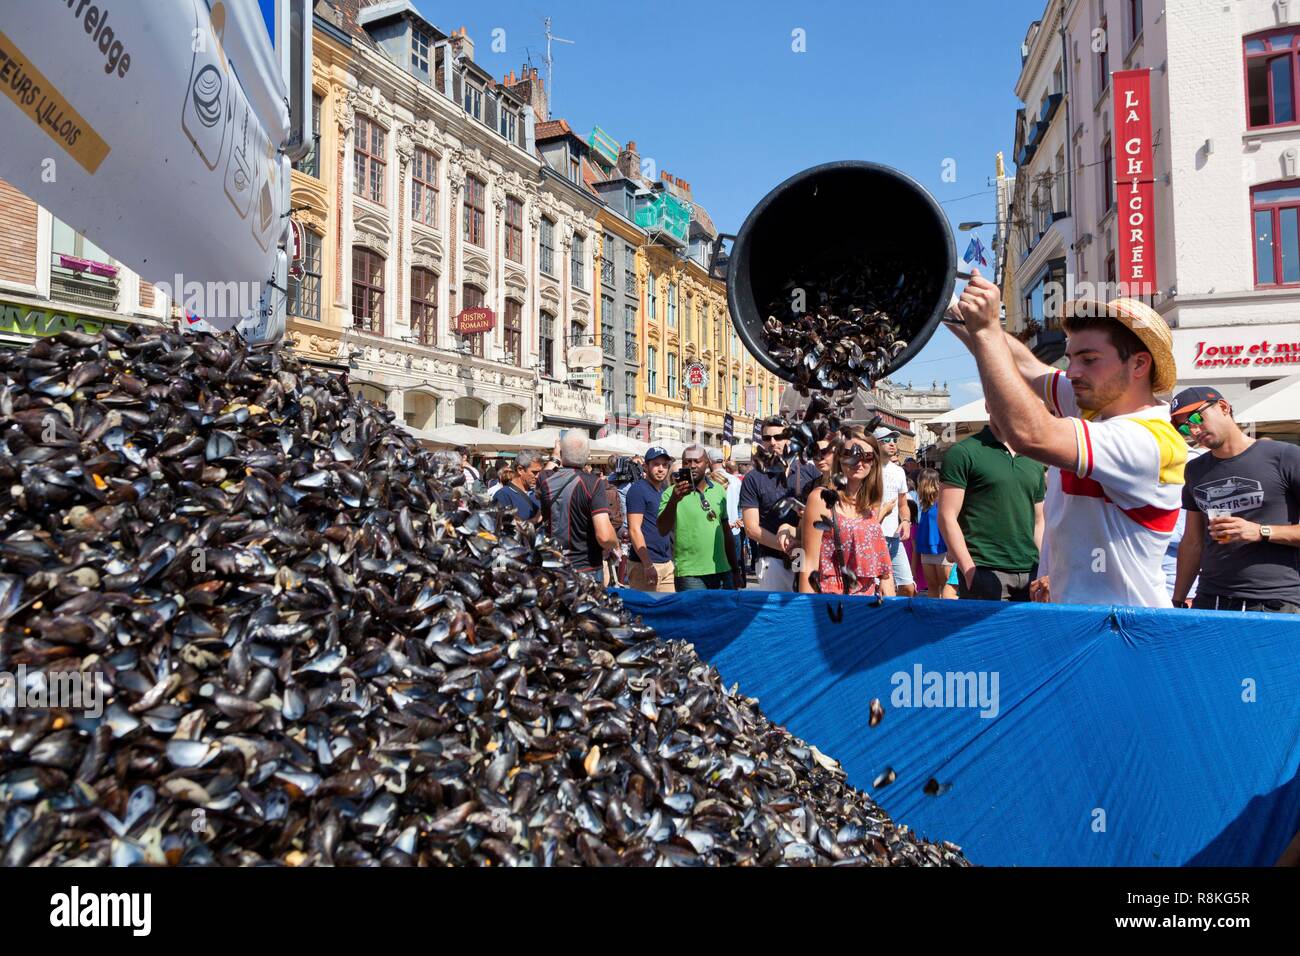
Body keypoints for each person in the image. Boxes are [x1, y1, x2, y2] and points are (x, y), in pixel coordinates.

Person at [948, 273, 1186, 607]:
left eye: (1089, 359)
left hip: (1120, 629)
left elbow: (1031, 434)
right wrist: (951, 306)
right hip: (1081, 619)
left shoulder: (1148, 440)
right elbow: (1026, 366)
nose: (1072, 372)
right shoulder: (1095, 405)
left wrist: (986, 330)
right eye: (1071, 358)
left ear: (1139, 364)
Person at [1170, 387, 1300, 613]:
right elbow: (1192, 542)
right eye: (1184, 426)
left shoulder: (1284, 456)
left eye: (1196, 417)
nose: (1193, 428)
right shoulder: (1195, 470)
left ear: (1223, 407)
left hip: (1276, 601)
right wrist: (1178, 600)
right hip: (1211, 600)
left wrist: (1261, 532)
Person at [938, 416, 1045, 601]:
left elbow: (1039, 521)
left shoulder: (1034, 458)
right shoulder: (964, 452)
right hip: (984, 570)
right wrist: (969, 570)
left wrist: (1045, 568)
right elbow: (947, 516)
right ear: (989, 404)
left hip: (1031, 573)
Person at [798, 429, 894, 596]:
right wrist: (806, 611)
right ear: (840, 458)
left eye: (867, 456)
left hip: (867, 602)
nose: (858, 461)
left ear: (874, 462)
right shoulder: (821, 499)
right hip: (831, 602)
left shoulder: (872, 503)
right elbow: (808, 563)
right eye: (850, 454)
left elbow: (881, 561)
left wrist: (888, 589)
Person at [740, 417, 822, 591]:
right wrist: (787, 547)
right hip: (772, 559)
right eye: (767, 438)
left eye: (778, 437)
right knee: (775, 615)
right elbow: (751, 528)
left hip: (807, 556)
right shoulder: (753, 478)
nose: (772, 442)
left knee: (804, 611)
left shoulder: (810, 471)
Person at [536, 431, 619, 583]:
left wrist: (556, 454)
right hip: (586, 569)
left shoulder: (545, 480)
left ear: (561, 454)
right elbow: (605, 536)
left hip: (553, 567)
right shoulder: (593, 483)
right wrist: (615, 543)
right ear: (588, 455)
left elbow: (547, 469)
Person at [658, 444, 744, 591]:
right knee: (695, 614)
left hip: (721, 570)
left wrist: (735, 570)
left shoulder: (718, 490)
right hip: (689, 574)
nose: (692, 465)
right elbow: (662, 529)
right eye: (687, 462)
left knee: (724, 614)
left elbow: (726, 532)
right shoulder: (671, 493)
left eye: (697, 461)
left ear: (707, 464)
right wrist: (674, 500)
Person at [873, 427, 915, 597]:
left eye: (895, 440)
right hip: (875, 538)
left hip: (894, 538)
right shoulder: (868, 469)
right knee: (879, 591)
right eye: (887, 440)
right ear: (876, 444)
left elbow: (903, 503)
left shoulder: (898, 471)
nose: (892, 444)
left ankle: (903, 621)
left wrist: (905, 521)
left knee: (907, 586)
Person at [627, 447, 676, 592]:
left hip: (666, 563)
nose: (661, 469)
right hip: (644, 564)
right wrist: (647, 564)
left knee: (669, 610)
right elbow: (634, 530)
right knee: (645, 612)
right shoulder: (638, 489)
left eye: (665, 465)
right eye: (656, 464)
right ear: (646, 466)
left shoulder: (664, 490)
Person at [912, 467, 954, 597]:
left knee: (947, 589)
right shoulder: (924, 504)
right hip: (927, 550)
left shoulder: (942, 501)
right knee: (933, 587)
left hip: (943, 549)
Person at [493, 449, 542, 521]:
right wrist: (534, 520)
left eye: (539, 472)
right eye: (534, 472)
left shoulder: (535, 493)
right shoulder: (503, 495)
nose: (538, 476)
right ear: (520, 470)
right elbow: (501, 527)